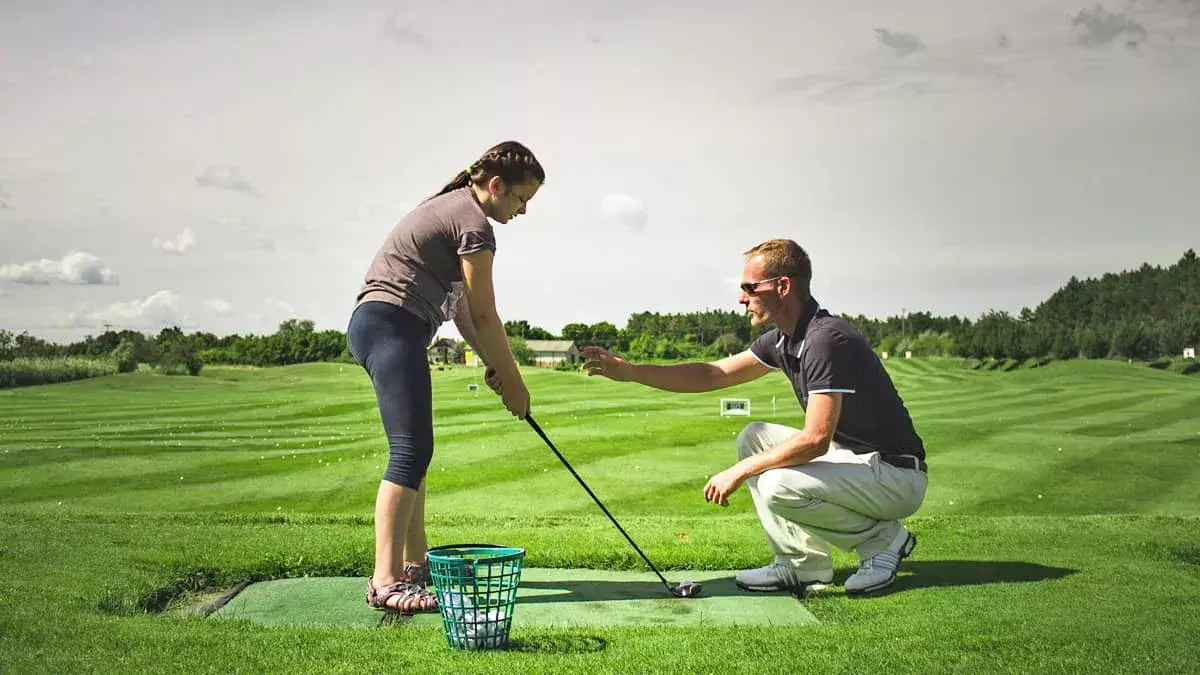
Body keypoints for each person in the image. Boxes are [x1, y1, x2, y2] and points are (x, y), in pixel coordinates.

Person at [580, 238, 929, 596]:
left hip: (895, 476)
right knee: (754, 436)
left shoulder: (826, 340)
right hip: (858, 464)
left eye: (750, 287)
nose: (741, 298)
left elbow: (815, 439)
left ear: (783, 286)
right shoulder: (784, 339)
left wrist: (740, 471)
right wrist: (633, 371)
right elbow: (713, 373)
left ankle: (883, 542)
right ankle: (801, 564)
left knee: (777, 485)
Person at [346, 141, 543, 613]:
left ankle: (415, 566)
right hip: (392, 324)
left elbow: (463, 317)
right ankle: (385, 581)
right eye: (520, 200)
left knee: (416, 451)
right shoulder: (473, 224)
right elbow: (485, 313)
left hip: (386, 325)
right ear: (495, 186)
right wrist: (515, 383)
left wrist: (495, 366)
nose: (522, 211)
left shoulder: (452, 210)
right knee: (411, 451)